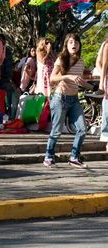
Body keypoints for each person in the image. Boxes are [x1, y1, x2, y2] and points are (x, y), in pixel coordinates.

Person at [43, 33, 90, 169]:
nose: (74, 44)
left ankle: (74, 157)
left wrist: (96, 88)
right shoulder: (61, 59)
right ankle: (49, 157)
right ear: (66, 45)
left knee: (82, 129)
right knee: (56, 130)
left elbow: (80, 81)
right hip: (60, 99)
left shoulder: (80, 61)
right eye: (70, 42)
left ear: (79, 45)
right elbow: (52, 78)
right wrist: (68, 76)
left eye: (76, 42)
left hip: (74, 100)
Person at [0, 34, 16, 118]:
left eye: (1, 40)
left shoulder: (7, 50)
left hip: (6, 78)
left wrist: (9, 78)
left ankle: (9, 115)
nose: (0, 41)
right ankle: (1, 114)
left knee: (8, 98)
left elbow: (10, 65)